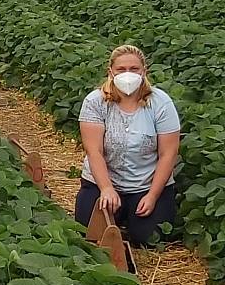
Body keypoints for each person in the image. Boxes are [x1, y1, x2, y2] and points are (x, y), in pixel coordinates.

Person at [75, 45, 181, 246]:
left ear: (144, 71)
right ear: (110, 72)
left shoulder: (160, 103)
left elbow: (168, 153)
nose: (128, 74)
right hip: (103, 181)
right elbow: (93, 151)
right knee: (89, 233)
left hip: (145, 184)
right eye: (121, 70)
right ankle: (119, 212)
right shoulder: (95, 102)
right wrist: (106, 188)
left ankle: (131, 217)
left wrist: (152, 195)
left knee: (148, 239)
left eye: (134, 69)